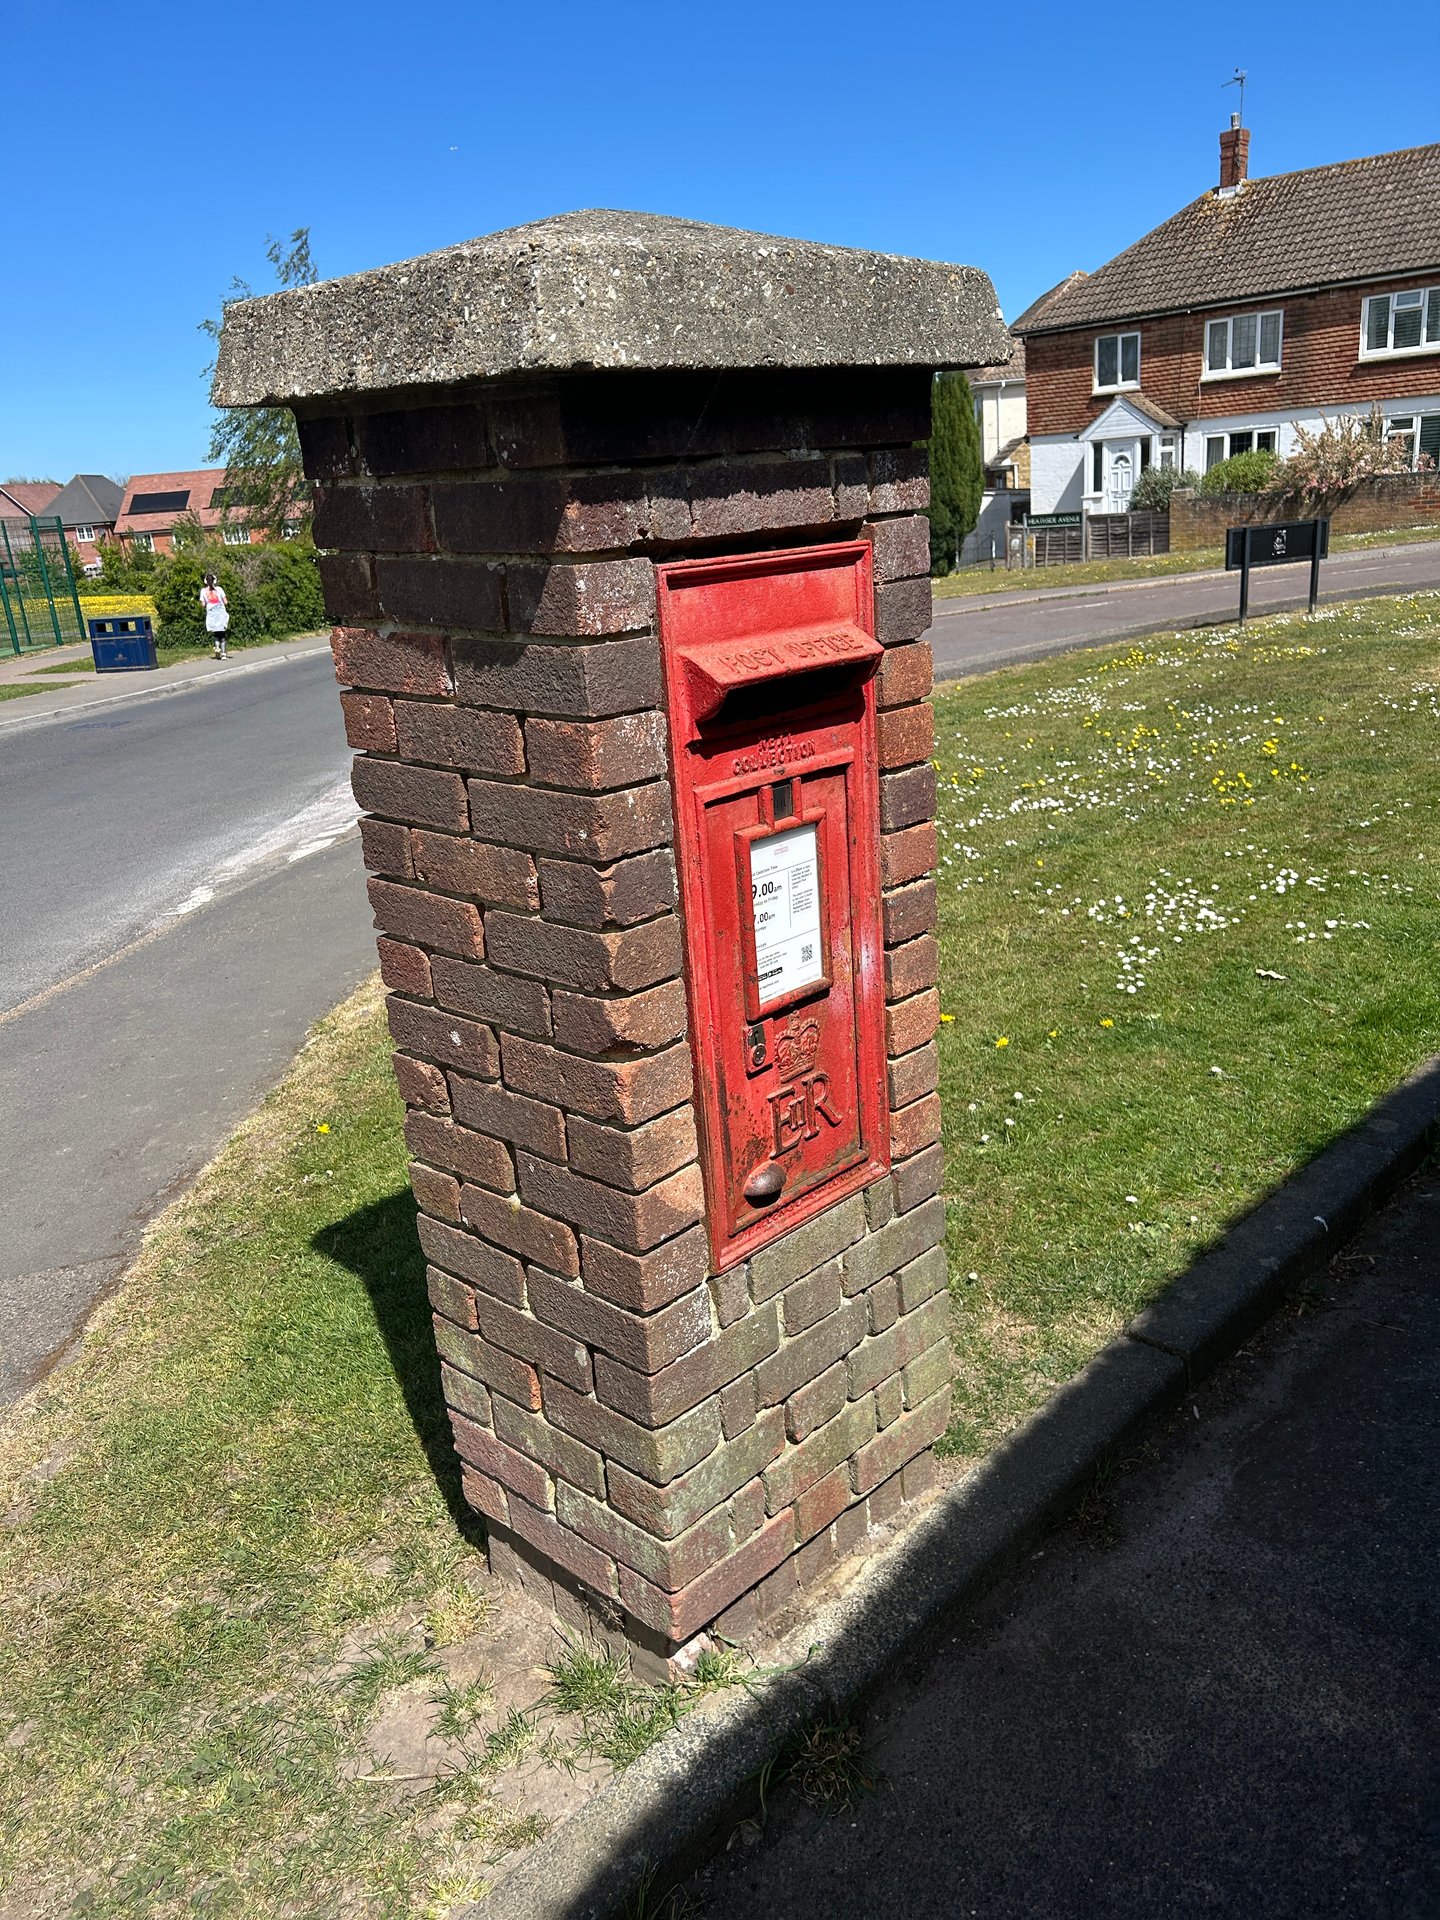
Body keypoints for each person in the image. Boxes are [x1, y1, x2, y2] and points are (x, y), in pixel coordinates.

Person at [200, 572, 230, 660]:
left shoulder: (203, 591)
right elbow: (226, 602)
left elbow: (203, 604)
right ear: (215, 581)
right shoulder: (219, 589)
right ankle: (224, 653)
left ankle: (217, 647)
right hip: (220, 612)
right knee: (222, 632)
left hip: (211, 613)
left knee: (215, 632)